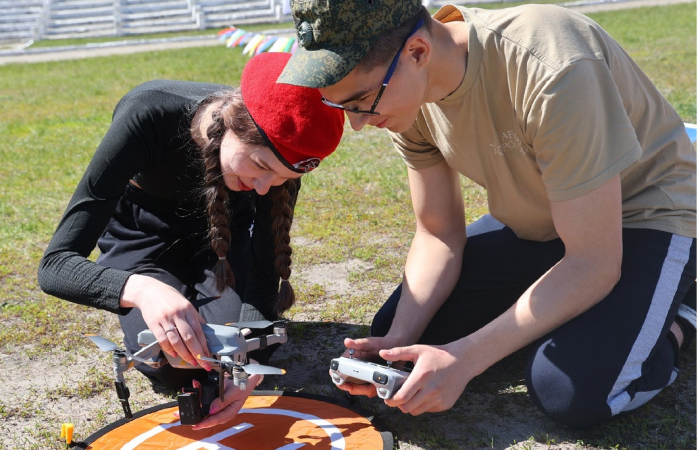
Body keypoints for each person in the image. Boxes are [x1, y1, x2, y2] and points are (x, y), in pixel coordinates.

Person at [278, 0, 696, 428]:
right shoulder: (406, 89)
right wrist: (398, 340)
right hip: (545, 220)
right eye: (342, 106)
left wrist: (464, 359)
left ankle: (683, 313)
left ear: (418, 52)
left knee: (570, 392)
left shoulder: (550, 64)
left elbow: (593, 261)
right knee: (398, 339)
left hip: (645, 215)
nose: (358, 124)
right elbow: (438, 233)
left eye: (361, 101)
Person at [38, 52, 344, 427]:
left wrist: (244, 365)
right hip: (141, 241)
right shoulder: (147, 112)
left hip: (222, 244)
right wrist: (143, 290)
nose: (264, 187)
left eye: (280, 178)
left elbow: (264, 273)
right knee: (171, 364)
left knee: (227, 352)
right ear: (232, 125)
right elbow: (55, 265)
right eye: (261, 166)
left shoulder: (281, 159)